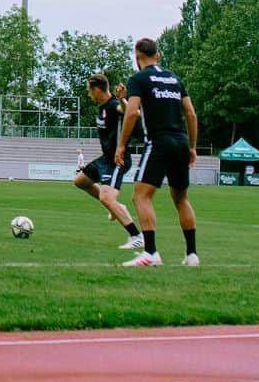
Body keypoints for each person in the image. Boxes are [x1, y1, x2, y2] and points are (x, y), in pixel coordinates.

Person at [116, 37, 199, 268]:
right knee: (181, 198)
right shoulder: (175, 79)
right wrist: (192, 147)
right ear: (158, 55)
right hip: (181, 141)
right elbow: (191, 115)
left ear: (137, 56)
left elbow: (131, 113)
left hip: (159, 142)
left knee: (140, 196)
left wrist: (122, 145)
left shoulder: (139, 79)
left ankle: (151, 252)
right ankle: (191, 255)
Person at [73, 74, 143, 250]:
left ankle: (136, 235)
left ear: (97, 89)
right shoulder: (101, 107)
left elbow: (132, 113)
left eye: (89, 90)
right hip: (105, 158)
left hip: (117, 160)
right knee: (80, 181)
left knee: (106, 197)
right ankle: (116, 207)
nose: (89, 94)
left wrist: (122, 100)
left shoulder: (113, 105)